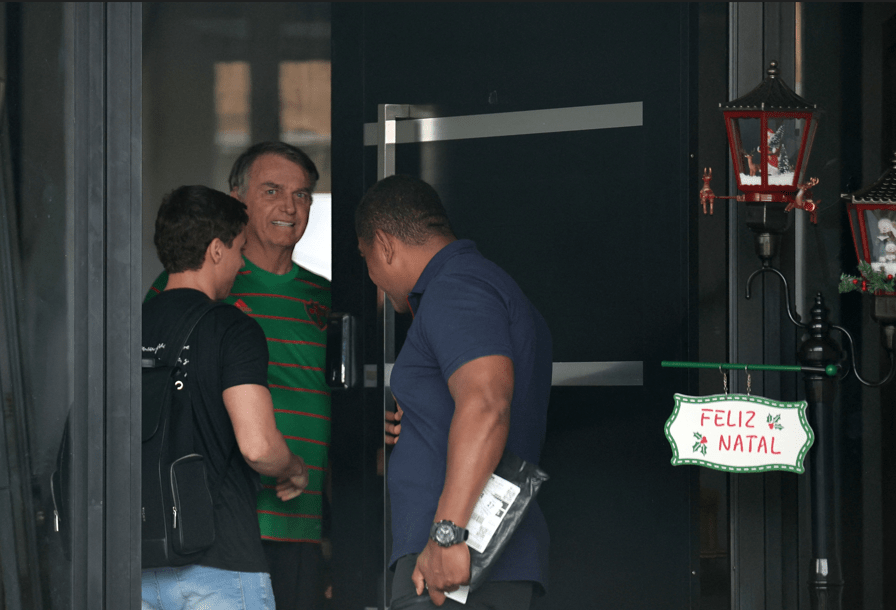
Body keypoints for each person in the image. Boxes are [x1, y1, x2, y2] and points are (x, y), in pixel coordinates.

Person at [146, 143, 332, 609]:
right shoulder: (193, 291)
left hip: (302, 520)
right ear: (237, 201)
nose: (290, 206)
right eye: (272, 190)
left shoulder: (330, 297)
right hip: (210, 522)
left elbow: (362, 387)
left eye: (303, 194)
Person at [355, 175, 552, 609]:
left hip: (452, 569)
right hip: (466, 562)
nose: (372, 277)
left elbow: (485, 404)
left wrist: (446, 533)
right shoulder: (474, 287)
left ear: (385, 245)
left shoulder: (456, 288)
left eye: (367, 258)